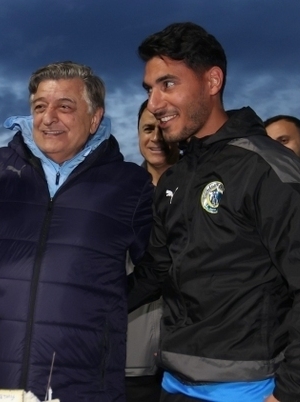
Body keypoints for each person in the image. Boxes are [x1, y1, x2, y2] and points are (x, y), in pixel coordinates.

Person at [0, 61, 155, 401]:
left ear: (95, 117)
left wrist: (104, 305)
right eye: (40, 106)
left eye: (65, 107)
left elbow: (160, 265)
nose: (48, 118)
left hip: (79, 385)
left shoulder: (129, 185)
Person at [128, 22, 300, 402]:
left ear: (212, 81)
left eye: (168, 84)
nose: (154, 103)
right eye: (149, 89)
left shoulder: (265, 168)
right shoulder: (176, 178)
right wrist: (87, 304)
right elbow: (155, 272)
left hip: (251, 388)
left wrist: (293, 391)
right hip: (173, 384)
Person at [125, 100, 179, 402]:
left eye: (162, 128)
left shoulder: (203, 188)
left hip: (187, 354)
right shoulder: (120, 192)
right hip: (131, 356)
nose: (155, 138)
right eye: (147, 129)